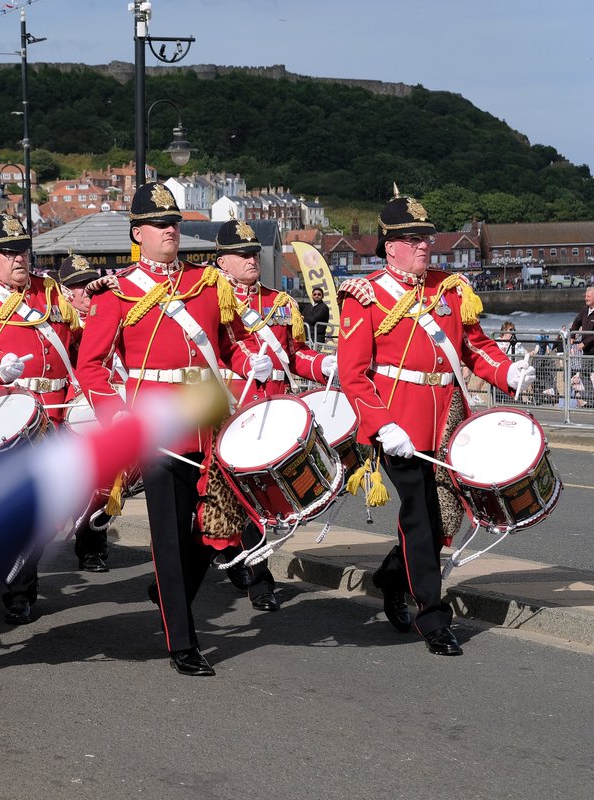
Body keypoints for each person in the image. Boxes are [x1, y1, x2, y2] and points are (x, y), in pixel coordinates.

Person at [336, 187, 532, 657]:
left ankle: (390, 576)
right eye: (412, 237)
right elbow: (353, 373)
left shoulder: (450, 288)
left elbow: (474, 347)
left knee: (440, 516)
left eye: (426, 235)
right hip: (397, 425)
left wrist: (507, 370)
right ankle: (433, 616)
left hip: (448, 420)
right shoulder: (365, 297)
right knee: (420, 515)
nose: (424, 244)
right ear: (390, 246)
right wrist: (383, 425)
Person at [76, 181, 258, 677]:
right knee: (172, 537)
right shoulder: (116, 293)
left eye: (174, 222)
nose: (170, 231)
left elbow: (230, 344)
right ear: (138, 233)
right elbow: (91, 367)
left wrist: (252, 360)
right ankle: (183, 641)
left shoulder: (206, 283)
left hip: (208, 419)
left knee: (218, 530)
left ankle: (168, 590)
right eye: (160, 224)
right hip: (155, 427)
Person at [213, 218, 336, 612]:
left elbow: (296, 354)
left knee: (266, 501)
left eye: (255, 253)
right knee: (239, 500)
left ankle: (252, 568)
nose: (252, 259)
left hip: (277, 408)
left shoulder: (280, 304)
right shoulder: (211, 301)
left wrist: (323, 365)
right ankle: (253, 572)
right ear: (222, 262)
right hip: (231, 409)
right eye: (242, 254)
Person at [0, 210, 80, 623]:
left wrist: (74, 399)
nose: (19, 258)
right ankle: (11, 579)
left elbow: (72, 349)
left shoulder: (50, 292)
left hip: (53, 414)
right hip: (9, 416)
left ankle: (23, 584)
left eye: (23, 250)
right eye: (8, 252)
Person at [58, 252, 116, 573]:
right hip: (69, 408)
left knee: (102, 482)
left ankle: (93, 547)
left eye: (89, 284)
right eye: (80, 287)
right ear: (67, 293)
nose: (87, 292)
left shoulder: (106, 315)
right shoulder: (63, 324)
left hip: (99, 408)